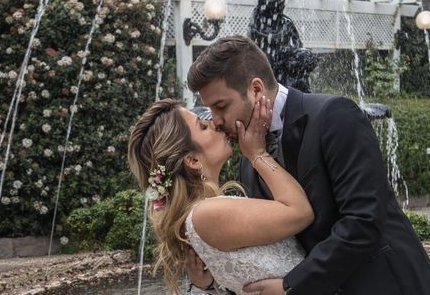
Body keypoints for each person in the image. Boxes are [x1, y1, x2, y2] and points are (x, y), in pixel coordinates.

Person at [186, 35, 430, 295]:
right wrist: (212, 283)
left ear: (256, 90)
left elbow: (363, 220)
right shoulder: (250, 158)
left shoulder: (334, 115)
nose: (215, 120)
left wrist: (293, 286)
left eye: (221, 106)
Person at [127, 96, 314, 294]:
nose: (213, 122)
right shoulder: (206, 214)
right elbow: (301, 212)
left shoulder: (204, 214)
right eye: (202, 126)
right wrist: (258, 154)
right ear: (192, 160)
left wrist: (209, 287)